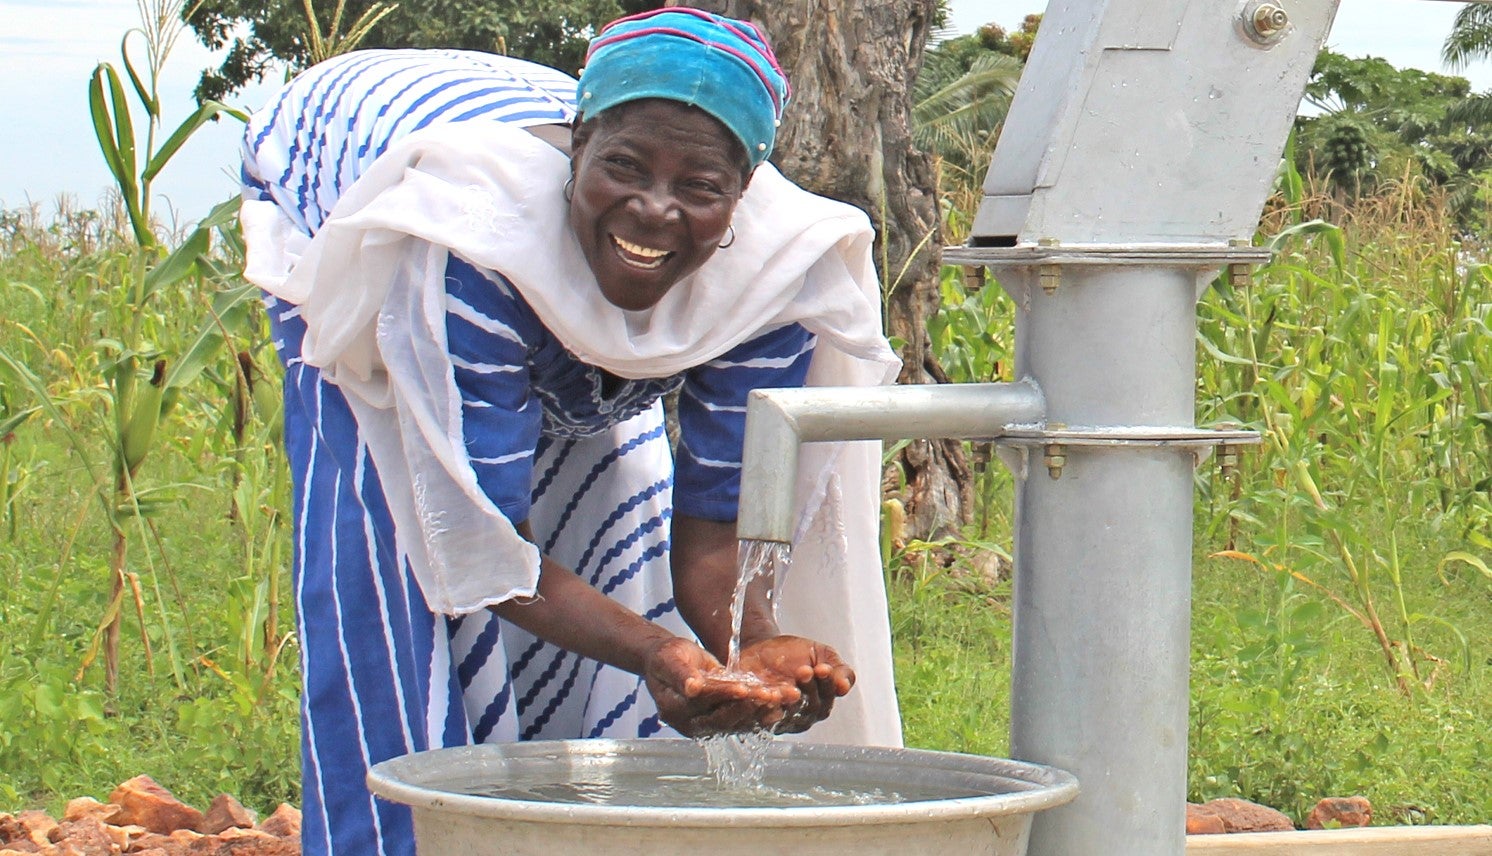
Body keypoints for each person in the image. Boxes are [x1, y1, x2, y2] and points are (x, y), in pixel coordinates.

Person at [239, 8, 902, 855]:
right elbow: (479, 544)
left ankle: (570, 826)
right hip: (342, 160)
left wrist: (755, 644)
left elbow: (712, 527)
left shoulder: (775, 278)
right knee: (393, 553)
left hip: (539, 165)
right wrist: (658, 651)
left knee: (619, 498)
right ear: (575, 146)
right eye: (623, 168)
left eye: (699, 188)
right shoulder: (465, 240)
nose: (655, 210)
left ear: (742, 197)